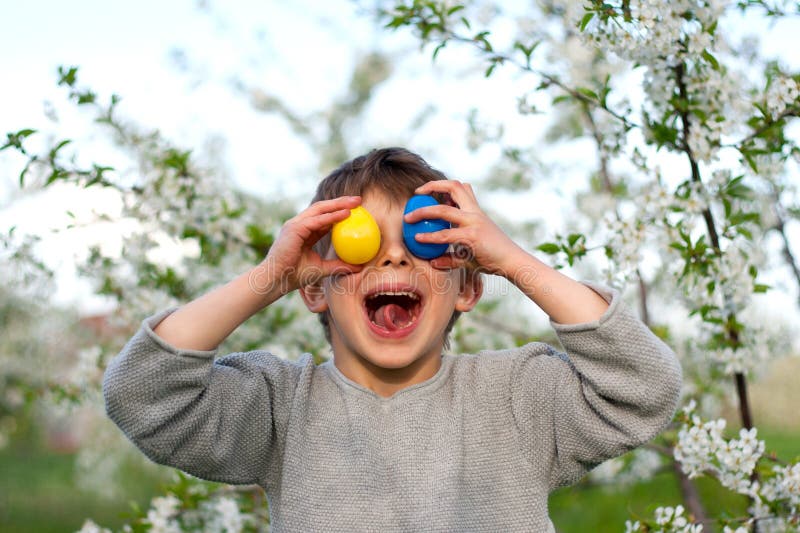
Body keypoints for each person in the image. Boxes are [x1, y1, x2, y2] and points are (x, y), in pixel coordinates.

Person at [103, 147, 682, 532]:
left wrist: (514, 261)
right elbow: (143, 395)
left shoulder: (517, 399)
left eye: (423, 239)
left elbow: (644, 388)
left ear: (466, 288)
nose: (393, 253)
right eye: (362, 242)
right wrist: (266, 279)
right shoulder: (281, 407)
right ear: (313, 289)